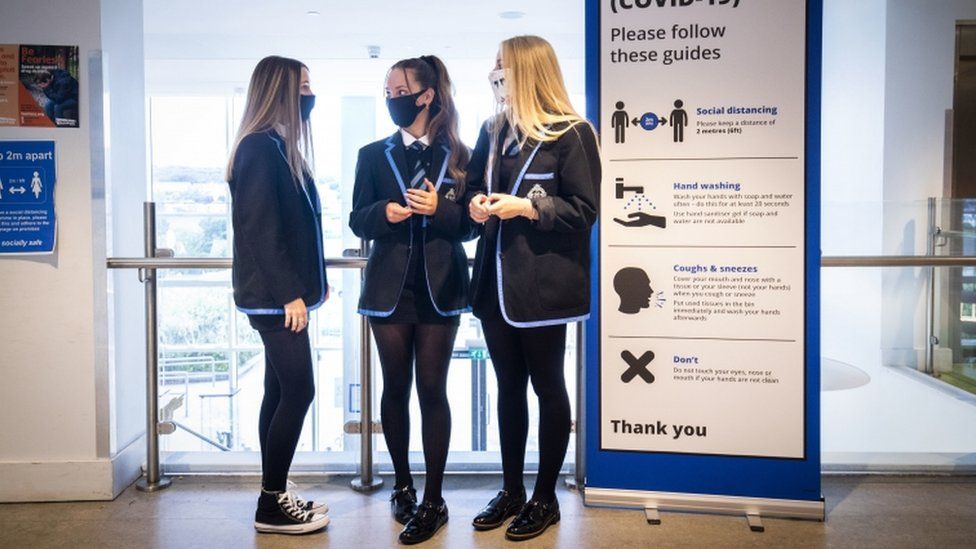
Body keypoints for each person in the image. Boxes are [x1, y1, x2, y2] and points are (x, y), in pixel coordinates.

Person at [465, 35, 601, 541]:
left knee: (548, 386)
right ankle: (512, 490)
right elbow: (472, 197)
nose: (495, 75)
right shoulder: (493, 129)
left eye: (501, 67)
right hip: (495, 285)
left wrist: (528, 207)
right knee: (508, 389)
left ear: (525, 71)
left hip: (544, 288)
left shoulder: (573, 133)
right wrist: (477, 205)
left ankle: (545, 497)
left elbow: (585, 211)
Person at [349, 55, 474, 545]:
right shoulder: (371, 154)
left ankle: (434, 498)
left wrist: (441, 209)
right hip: (389, 289)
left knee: (432, 391)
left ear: (425, 95)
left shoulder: (461, 155)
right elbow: (358, 219)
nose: (391, 96)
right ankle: (402, 485)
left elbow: (469, 225)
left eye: (399, 88)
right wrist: (388, 212)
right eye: (387, 89)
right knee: (394, 389)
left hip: (441, 290)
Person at [225, 55, 330, 535]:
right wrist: (291, 293)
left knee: (278, 390)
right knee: (300, 389)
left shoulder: (273, 145)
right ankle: (270, 504)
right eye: (303, 87)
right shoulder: (259, 149)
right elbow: (262, 228)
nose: (310, 95)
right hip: (274, 298)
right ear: (280, 90)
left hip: (279, 295)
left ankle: (275, 490)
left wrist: (305, 288)